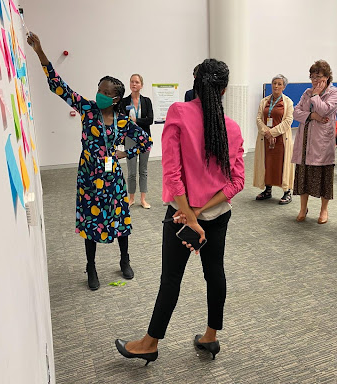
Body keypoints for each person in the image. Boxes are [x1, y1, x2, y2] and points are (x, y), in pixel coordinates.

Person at [115, 59, 245, 365]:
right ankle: (210, 338)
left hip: (180, 216)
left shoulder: (179, 113)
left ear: (196, 84)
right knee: (215, 273)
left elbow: (172, 174)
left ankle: (150, 343)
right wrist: (199, 212)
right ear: (224, 89)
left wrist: (189, 213)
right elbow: (236, 182)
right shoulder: (233, 128)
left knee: (171, 278)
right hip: (217, 214)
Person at [27, 33, 153, 290]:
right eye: (99, 89)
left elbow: (144, 142)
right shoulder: (87, 109)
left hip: (113, 179)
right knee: (90, 223)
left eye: (106, 93)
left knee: (121, 220)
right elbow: (57, 85)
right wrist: (40, 51)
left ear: (116, 99)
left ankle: (124, 259)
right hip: (88, 177)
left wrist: (122, 154)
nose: (100, 95)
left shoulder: (122, 121)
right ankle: (91, 267)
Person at [292, 60, 337, 224]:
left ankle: (323, 210)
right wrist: (312, 116)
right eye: (312, 77)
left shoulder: (335, 92)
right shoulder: (307, 92)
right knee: (303, 175)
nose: (314, 81)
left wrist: (316, 96)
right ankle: (303, 208)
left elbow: (325, 109)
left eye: (318, 77)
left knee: (323, 177)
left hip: (321, 141)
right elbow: (296, 112)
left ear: (327, 77)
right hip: (305, 139)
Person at [253, 74, 295, 205]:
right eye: (274, 83)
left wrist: (272, 133)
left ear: (284, 87)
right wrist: (267, 133)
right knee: (267, 163)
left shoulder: (288, 102)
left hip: (281, 140)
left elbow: (288, 121)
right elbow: (259, 118)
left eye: (279, 84)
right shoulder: (264, 101)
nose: (276, 86)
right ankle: (267, 190)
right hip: (265, 139)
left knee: (282, 164)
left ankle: (287, 192)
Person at [121, 74, 154, 209]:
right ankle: (132, 198)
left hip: (145, 138)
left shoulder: (146, 101)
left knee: (143, 170)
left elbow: (150, 120)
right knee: (131, 171)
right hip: (130, 138)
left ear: (141, 85)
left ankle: (143, 199)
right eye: (132, 82)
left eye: (137, 82)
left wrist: (135, 121)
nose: (134, 84)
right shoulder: (124, 102)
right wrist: (135, 121)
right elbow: (122, 120)